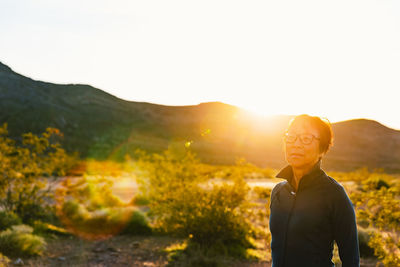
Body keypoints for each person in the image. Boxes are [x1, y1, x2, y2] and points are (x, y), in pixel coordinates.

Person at [269, 114, 360, 267]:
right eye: (291, 137)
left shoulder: (334, 195)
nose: (296, 144)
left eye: (306, 138)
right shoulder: (278, 192)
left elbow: (351, 259)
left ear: (322, 149)